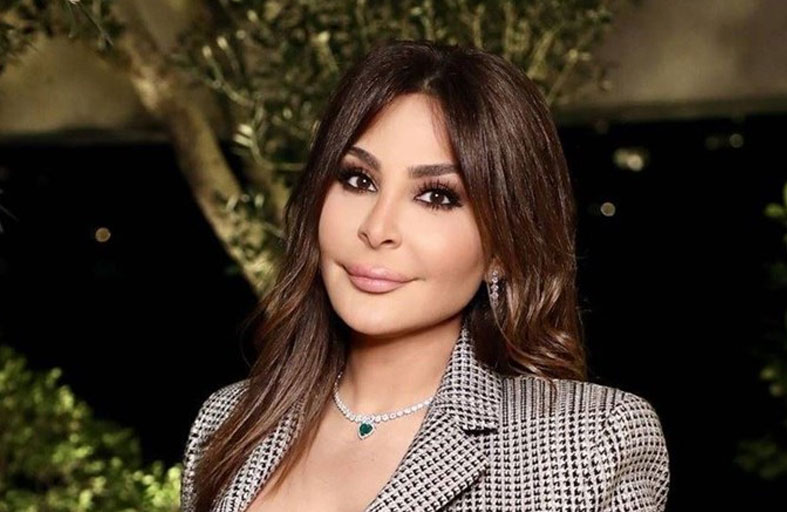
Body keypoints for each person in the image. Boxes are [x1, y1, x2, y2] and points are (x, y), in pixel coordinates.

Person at [180, 39, 670, 512]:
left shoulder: (586, 441)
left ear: (503, 247)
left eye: (437, 196)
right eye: (358, 179)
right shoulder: (227, 423)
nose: (377, 229)